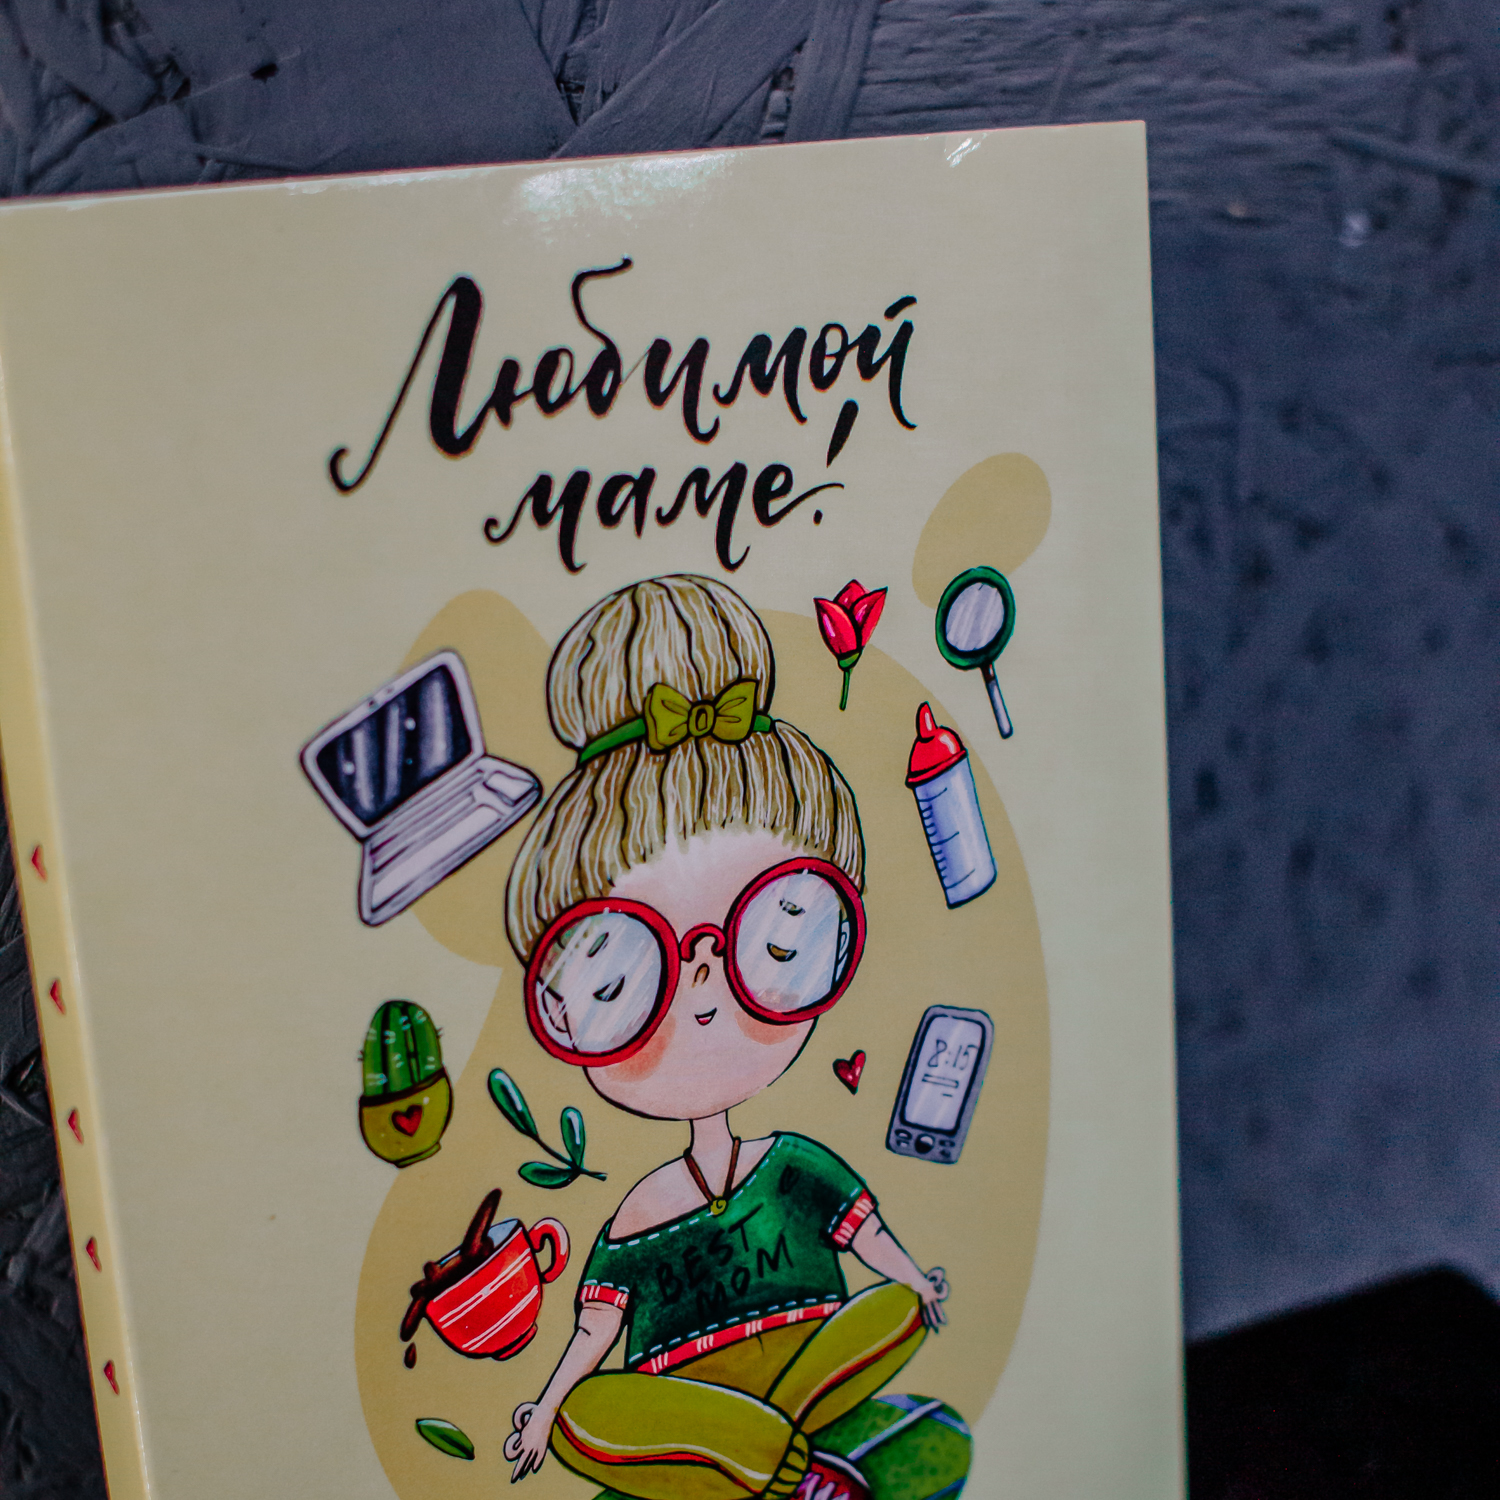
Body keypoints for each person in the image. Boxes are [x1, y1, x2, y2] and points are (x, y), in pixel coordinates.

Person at [502, 575, 952, 1500]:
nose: (703, 993)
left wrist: (916, 1280)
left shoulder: (792, 1168)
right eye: (622, 982)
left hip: (812, 1380)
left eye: (775, 946)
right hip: (682, 1421)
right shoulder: (639, 1215)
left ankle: (779, 1456)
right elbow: (594, 1332)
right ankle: (759, 1458)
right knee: (597, 1410)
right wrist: (545, 1409)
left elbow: (866, 1236)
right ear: (559, 1009)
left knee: (895, 1345)